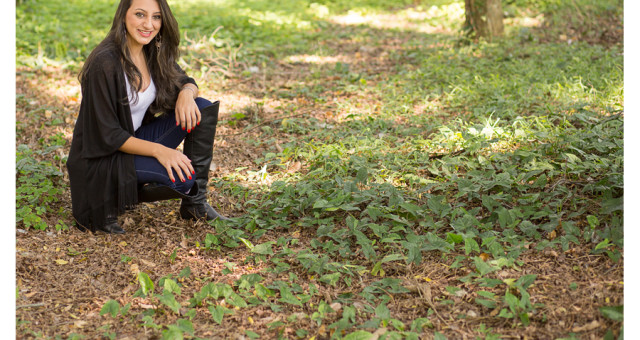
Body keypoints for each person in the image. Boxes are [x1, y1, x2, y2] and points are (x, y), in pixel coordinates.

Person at [66, 0, 227, 234]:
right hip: (102, 159)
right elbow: (108, 134)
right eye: (140, 14)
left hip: (132, 142)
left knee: (200, 108)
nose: (148, 24)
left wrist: (186, 93)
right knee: (183, 180)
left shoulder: (151, 51)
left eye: (156, 17)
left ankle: (195, 205)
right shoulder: (105, 63)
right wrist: (160, 151)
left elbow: (185, 80)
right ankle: (111, 195)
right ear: (123, 15)